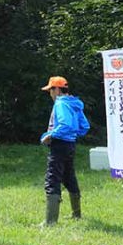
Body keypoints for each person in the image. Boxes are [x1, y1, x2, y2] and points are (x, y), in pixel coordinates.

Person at [39, 76, 90, 225]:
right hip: (70, 145)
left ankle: (50, 222)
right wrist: (72, 135)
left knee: (52, 179)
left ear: (57, 89)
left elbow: (65, 125)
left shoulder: (61, 103)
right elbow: (84, 126)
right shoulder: (74, 103)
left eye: (50, 90)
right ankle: (76, 215)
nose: (50, 94)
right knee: (69, 178)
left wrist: (50, 135)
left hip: (59, 145)